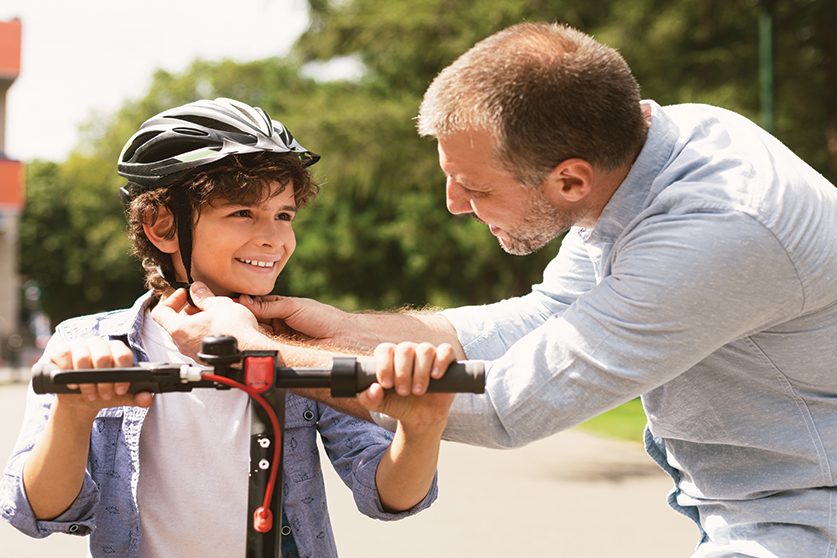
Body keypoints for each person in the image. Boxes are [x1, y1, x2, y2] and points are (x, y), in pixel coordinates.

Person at [149, 23, 837, 558]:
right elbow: (538, 319)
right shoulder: (649, 151)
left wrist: (250, 354)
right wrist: (340, 328)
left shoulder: (718, 231)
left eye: (475, 187)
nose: (452, 204)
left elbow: (507, 407)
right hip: (750, 498)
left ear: (569, 178)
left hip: (803, 515)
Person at [0, 98, 453, 558]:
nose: (275, 238)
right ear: (161, 226)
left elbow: (389, 495)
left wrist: (420, 431)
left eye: (284, 214)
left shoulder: (298, 345)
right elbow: (36, 511)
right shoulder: (87, 344)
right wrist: (72, 415)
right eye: (242, 213)